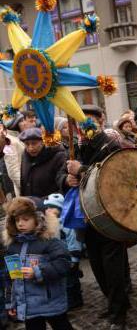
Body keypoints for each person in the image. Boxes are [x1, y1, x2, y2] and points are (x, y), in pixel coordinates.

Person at [57, 104, 129, 330]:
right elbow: (62, 173)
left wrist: (81, 170)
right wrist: (65, 180)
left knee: (113, 266)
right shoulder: (77, 145)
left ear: (100, 120)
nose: (84, 126)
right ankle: (112, 303)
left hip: (108, 214)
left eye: (89, 120)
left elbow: (115, 175)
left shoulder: (111, 144)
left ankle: (119, 313)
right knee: (97, 265)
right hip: (85, 216)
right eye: (80, 121)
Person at [4, 197, 73, 329]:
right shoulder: (12, 247)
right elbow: (10, 277)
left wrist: (38, 272)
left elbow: (63, 263)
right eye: (17, 220)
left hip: (51, 303)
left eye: (25, 219)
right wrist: (11, 303)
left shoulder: (50, 242)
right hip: (29, 307)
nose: (20, 224)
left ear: (38, 219)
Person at [43, 193, 84, 310]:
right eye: (47, 208)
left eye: (52, 207)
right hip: (59, 259)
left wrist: (74, 258)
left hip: (70, 257)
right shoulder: (49, 225)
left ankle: (75, 301)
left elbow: (74, 241)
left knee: (71, 281)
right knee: (65, 281)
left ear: (61, 209)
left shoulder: (66, 225)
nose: (48, 210)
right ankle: (70, 299)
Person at [19, 128, 66, 198]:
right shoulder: (25, 155)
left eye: (34, 143)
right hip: (29, 205)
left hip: (50, 205)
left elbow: (62, 186)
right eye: (27, 144)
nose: (30, 148)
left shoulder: (58, 157)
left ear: (43, 142)